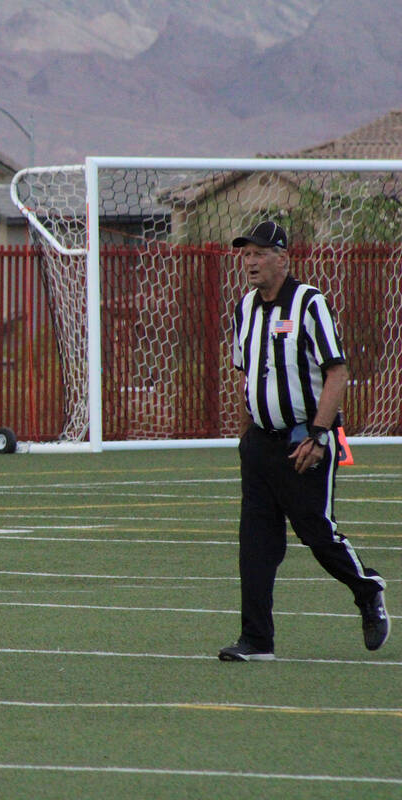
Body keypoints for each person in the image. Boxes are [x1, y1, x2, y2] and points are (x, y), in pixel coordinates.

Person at [220, 220, 389, 661]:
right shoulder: (244, 309)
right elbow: (245, 376)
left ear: (283, 258)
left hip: (303, 440)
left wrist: (319, 434)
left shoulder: (309, 303)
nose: (251, 262)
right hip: (260, 445)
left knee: (318, 534)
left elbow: (338, 371)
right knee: (256, 544)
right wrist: (245, 438)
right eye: (246, 254)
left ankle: (367, 589)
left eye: (260, 253)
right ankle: (257, 640)